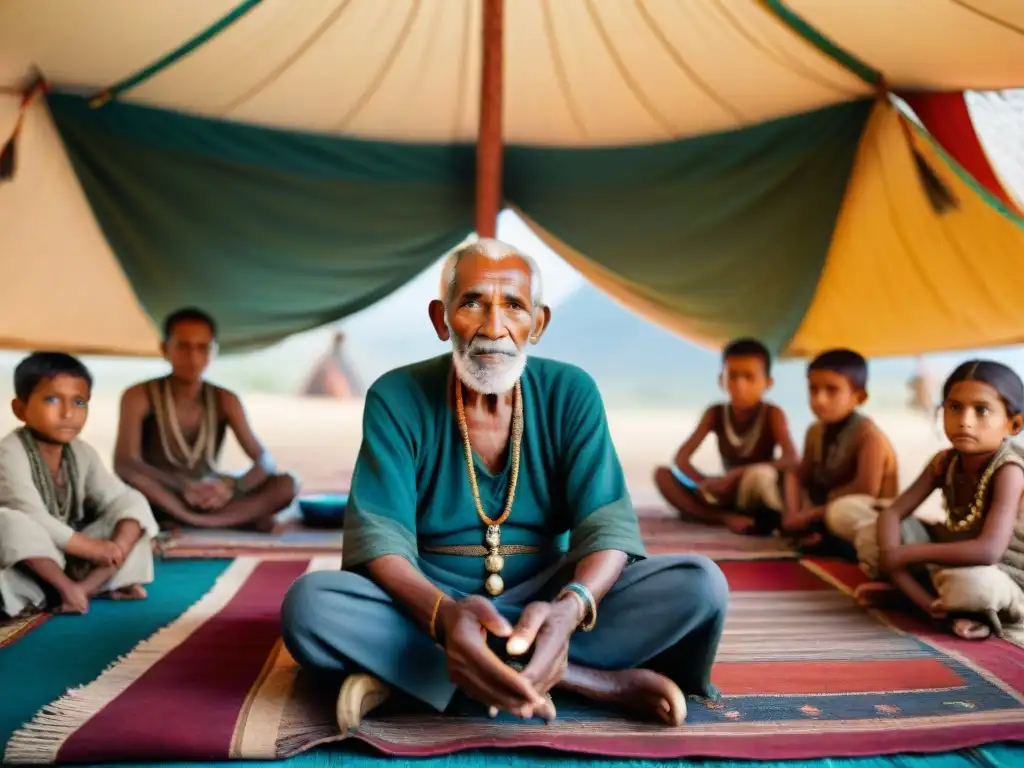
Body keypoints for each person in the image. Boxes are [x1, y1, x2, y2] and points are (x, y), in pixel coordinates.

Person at [280, 239, 728, 733]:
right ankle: (590, 681)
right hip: (430, 603)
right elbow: (381, 542)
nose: (494, 329)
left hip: (549, 596)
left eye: (513, 305)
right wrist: (445, 616)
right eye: (473, 302)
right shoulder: (396, 396)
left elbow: (608, 528)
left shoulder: (571, 392)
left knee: (698, 584)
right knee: (311, 605)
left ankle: (419, 678)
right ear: (441, 318)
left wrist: (570, 607)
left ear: (537, 324)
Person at [839, 360, 1024, 640]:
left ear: (1014, 424)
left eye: (981, 410)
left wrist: (906, 555)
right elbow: (892, 514)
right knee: (872, 532)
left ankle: (961, 607)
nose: (965, 420)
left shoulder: (1009, 470)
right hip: (951, 554)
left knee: (973, 585)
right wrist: (897, 563)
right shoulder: (944, 462)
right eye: (954, 407)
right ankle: (928, 602)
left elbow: (988, 551)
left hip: (1003, 573)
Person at [0, 353, 158, 617]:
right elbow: (31, 514)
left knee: (134, 504)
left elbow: (118, 498)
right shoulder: (9, 452)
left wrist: (113, 546)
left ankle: (81, 590)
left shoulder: (82, 452)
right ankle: (65, 588)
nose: (68, 413)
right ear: (20, 409)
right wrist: (91, 548)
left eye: (79, 401)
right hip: (29, 560)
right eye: (52, 399)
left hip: (69, 558)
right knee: (10, 522)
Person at [113, 308, 297, 531]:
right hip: (163, 492)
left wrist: (230, 487)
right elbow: (125, 463)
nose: (193, 357)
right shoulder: (139, 395)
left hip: (211, 495)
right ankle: (228, 520)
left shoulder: (225, 399)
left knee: (286, 484)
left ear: (214, 351)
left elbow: (264, 459)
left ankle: (194, 521)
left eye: (203, 348)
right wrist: (183, 486)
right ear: (165, 349)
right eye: (183, 346)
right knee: (137, 482)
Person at [653, 338, 799, 534]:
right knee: (662, 475)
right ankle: (723, 518)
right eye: (733, 376)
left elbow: (791, 459)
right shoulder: (715, 413)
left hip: (754, 490)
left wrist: (737, 475)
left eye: (749, 377)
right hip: (726, 494)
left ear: (768, 383)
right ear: (721, 379)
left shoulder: (772, 414)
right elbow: (681, 459)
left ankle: (730, 517)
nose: (740, 384)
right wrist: (704, 483)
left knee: (760, 475)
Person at [783, 349, 898, 552]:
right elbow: (800, 475)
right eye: (813, 389)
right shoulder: (815, 431)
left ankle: (828, 539)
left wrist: (809, 515)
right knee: (785, 475)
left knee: (841, 512)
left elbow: (865, 490)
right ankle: (812, 532)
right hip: (823, 510)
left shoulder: (870, 436)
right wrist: (793, 513)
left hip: (862, 514)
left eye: (831, 390)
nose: (819, 399)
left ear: (859, 397)